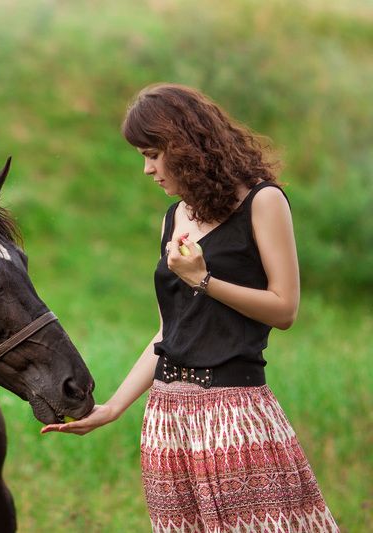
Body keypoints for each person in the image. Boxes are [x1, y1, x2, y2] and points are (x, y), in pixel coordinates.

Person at [42, 83, 339, 532]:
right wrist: (113, 409)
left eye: (153, 154)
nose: (147, 169)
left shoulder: (263, 202)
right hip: (166, 423)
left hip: (235, 419)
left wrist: (204, 280)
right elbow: (168, 332)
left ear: (186, 149)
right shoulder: (174, 217)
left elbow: (285, 309)